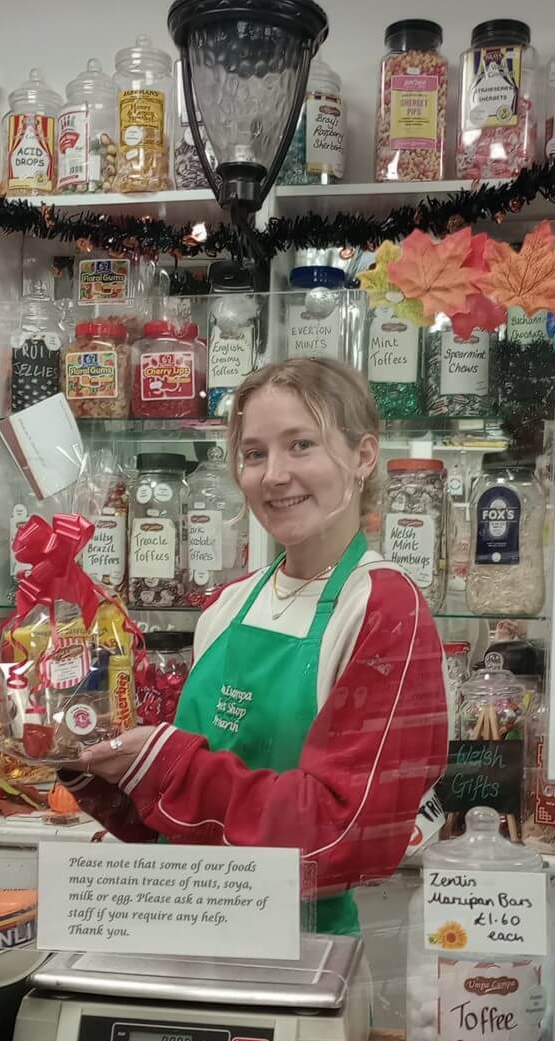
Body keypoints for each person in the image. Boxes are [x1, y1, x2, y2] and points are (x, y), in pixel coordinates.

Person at [59, 358, 448, 934]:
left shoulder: (384, 608)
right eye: (255, 453)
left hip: (297, 950)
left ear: (363, 457)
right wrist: (91, 762)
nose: (274, 475)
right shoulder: (229, 605)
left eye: (301, 445)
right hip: (182, 928)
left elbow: (347, 835)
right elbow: (185, 824)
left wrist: (167, 768)